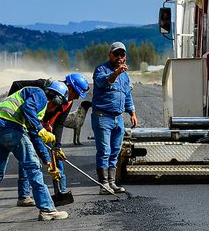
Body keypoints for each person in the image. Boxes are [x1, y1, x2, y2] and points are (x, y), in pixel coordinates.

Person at [0, 81, 71, 223]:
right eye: (57, 104)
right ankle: (47, 209)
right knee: (33, 168)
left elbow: (34, 135)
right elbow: (27, 109)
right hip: (11, 126)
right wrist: (41, 129)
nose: (55, 108)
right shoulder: (40, 95)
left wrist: (47, 160)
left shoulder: (34, 105)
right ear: (55, 98)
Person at [15, 72, 89, 205]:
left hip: (45, 128)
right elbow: (16, 85)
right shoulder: (44, 86)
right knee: (28, 158)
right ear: (70, 87)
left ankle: (61, 191)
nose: (77, 97)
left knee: (57, 157)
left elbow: (59, 123)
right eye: (76, 93)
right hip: (29, 124)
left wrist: (57, 146)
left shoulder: (68, 102)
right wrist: (16, 114)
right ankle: (24, 196)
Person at [92, 42, 138, 194]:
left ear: (125, 57)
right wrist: (116, 73)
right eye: (116, 54)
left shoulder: (125, 75)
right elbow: (104, 82)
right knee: (104, 150)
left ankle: (112, 182)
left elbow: (127, 94)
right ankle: (103, 184)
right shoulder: (101, 70)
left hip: (118, 118)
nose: (119, 57)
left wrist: (132, 112)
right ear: (109, 55)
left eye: (122, 55)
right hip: (102, 116)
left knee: (115, 151)